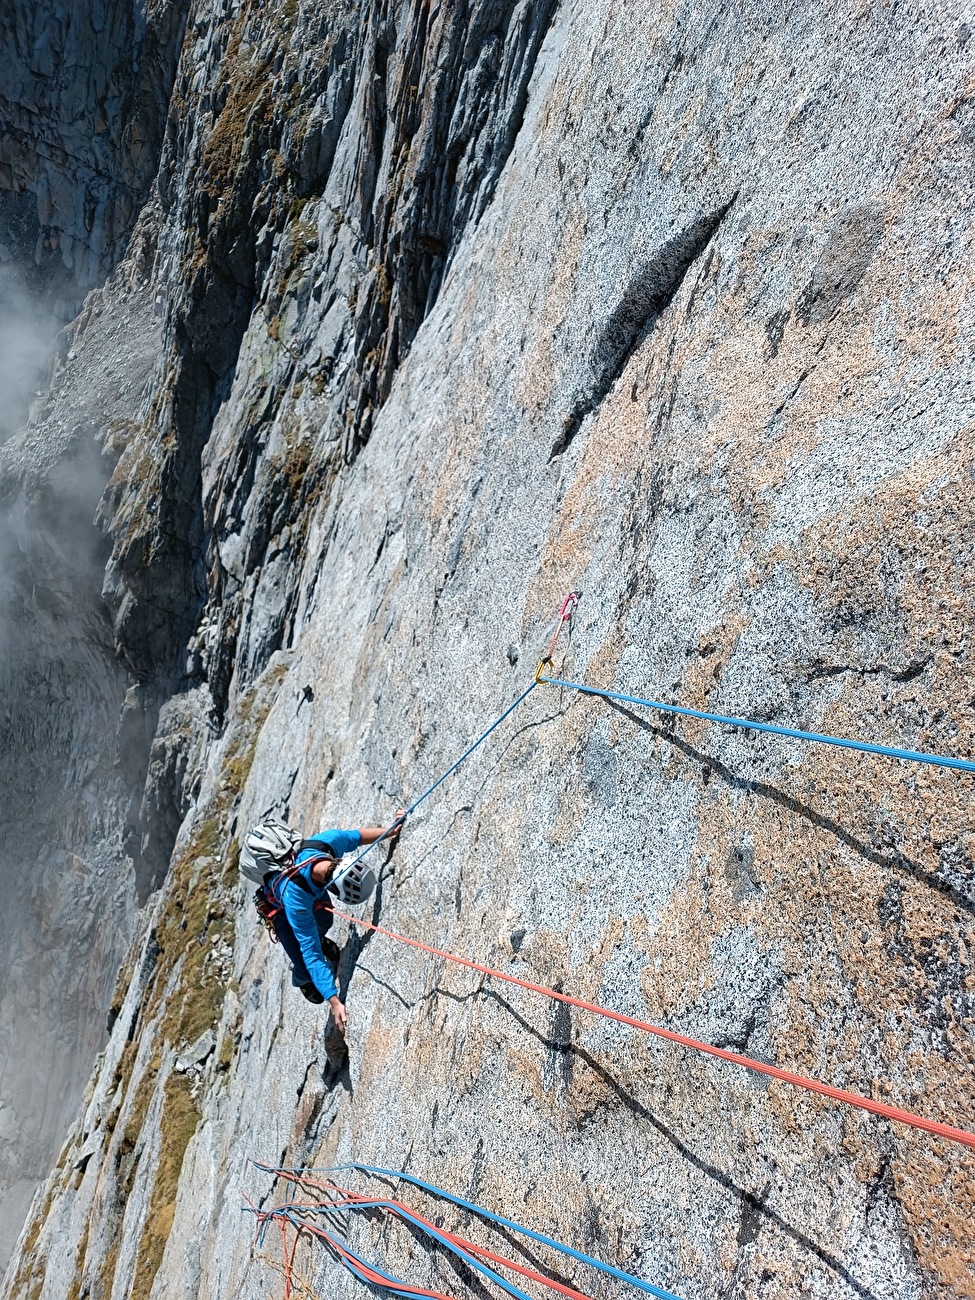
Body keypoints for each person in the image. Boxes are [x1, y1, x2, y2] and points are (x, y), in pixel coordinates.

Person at [256, 816, 404, 1034]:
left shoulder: (326, 843)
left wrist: (390, 830)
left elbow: (356, 837)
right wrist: (334, 1000)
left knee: (325, 919)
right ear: (333, 888)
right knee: (307, 965)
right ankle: (301, 979)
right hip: (279, 909)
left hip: (304, 890)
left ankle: (319, 935)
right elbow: (311, 952)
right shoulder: (296, 900)